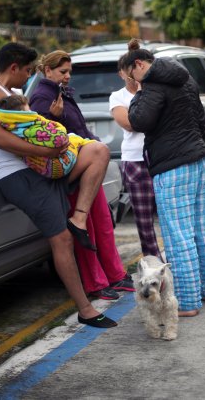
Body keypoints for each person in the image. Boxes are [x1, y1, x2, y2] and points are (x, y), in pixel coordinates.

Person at [0, 42, 117, 328]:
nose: (29, 76)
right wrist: (47, 152)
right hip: (18, 175)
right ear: (13, 67)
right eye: (26, 70)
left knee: (98, 151)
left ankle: (80, 218)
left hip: (42, 168)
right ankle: (85, 309)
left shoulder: (11, 94)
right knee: (60, 239)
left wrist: (54, 141)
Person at [123, 38, 205, 317]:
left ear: (139, 65)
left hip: (172, 166)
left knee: (177, 235)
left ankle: (189, 302)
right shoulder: (186, 79)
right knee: (202, 228)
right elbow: (201, 121)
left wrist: (138, 93)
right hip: (198, 159)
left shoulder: (153, 86)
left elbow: (139, 121)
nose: (132, 81)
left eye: (131, 75)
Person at [29, 50, 134, 300]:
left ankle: (115, 275)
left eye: (69, 73)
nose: (67, 77)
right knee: (86, 229)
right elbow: (41, 137)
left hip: (88, 167)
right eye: (63, 72)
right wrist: (52, 118)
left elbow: (80, 129)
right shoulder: (42, 97)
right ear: (48, 71)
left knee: (103, 224)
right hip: (72, 171)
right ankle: (96, 283)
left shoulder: (59, 93)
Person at [110, 57, 162, 258]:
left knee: (168, 215)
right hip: (134, 160)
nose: (131, 76)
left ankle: (176, 261)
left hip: (159, 157)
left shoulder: (155, 92)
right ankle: (153, 263)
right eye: (126, 73)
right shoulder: (117, 96)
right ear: (121, 74)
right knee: (143, 220)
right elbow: (130, 123)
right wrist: (140, 94)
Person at [0, 94, 97, 179]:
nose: (33, 113)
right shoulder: (30, 130)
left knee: (75, 138)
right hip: (58, 165)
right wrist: (60, 129)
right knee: (78, 140)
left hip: (43, 167)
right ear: (22, 115)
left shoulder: (10, 129)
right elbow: (60, 139)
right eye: (29, 111)